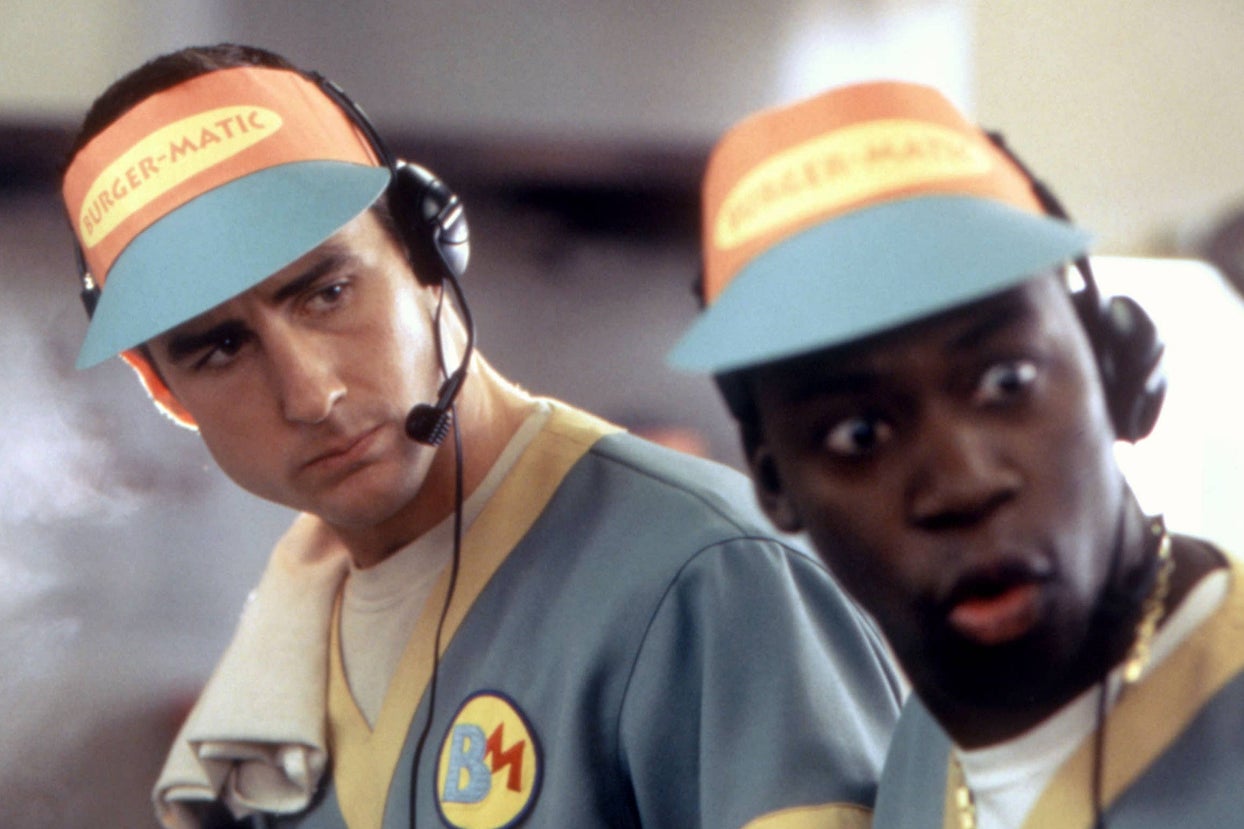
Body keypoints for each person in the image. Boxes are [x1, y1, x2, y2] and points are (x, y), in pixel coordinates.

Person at [61, 44, 903, 829]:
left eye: (328, 292)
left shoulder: (712, 572)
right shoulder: (266, 714)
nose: (311, 394)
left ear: (427, 250)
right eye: (221, 347)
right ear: (162, 387)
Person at [669, 79, 1244, 828]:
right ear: (776, 484)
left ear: (1114, 364)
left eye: (1008, 381)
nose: (963, 484)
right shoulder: (927, 746)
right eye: (859, 434)